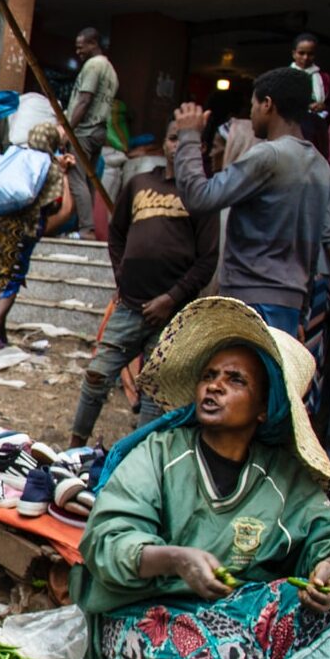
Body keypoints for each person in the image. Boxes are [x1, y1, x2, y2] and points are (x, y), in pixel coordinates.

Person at [71, 297, 330, 659]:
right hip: (139, 616)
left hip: (232, 619)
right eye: (210, 376)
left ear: (265, 408)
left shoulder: (282, 477)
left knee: (324, 609)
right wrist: (176, 559)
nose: (214, 386)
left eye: (235, 380)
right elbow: (108, 541)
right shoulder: (159, 455)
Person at [69, 120, 219, 446]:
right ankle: (73, 448)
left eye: (185, 140)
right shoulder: (139, 184)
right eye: (172, 138)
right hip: (130, 305)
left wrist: (171, 297)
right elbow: (118, 234)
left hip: (172, 313)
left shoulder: (201, 195)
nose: (177, 145)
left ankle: (134, 459)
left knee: (153, 391)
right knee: (97, 375)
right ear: (163, 144)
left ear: (201, 149)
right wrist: (121, 275)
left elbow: (207, 260)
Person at [172, 68, 330, 335]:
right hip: (289, 302)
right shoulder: (320, 165)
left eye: (254, 105)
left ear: (268, 104)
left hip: (251, 299)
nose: (251, 113)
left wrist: (188, 137)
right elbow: (314, 245)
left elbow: (199, 198)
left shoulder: (268, 156)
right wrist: (301, 312)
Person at [0, 123, 74, 350]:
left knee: (1, 273)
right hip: (23, 230)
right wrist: (64, 175)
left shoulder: (15, 157)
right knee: (14, 275)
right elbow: (57, 207)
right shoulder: (49, 167)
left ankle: (0, 333)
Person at [65, 28, 119, 239]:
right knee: (89, 181)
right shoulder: (110, 69)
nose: (78, 52)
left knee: (77, 177)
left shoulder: (94, 66)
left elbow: (85, 100)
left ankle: (86, 228)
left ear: (93, 43)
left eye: (81, 47)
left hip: (85, 131)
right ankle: (86, 227)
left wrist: (67, 130)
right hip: (99, 130)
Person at [290, 33, 330, 163]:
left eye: (310, 54)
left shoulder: (324, 78)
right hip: (294, 130)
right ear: (293, 53)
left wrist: (323, 107)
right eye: (301, 53)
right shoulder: (286, 77)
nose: (305, 58)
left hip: (317, 132)